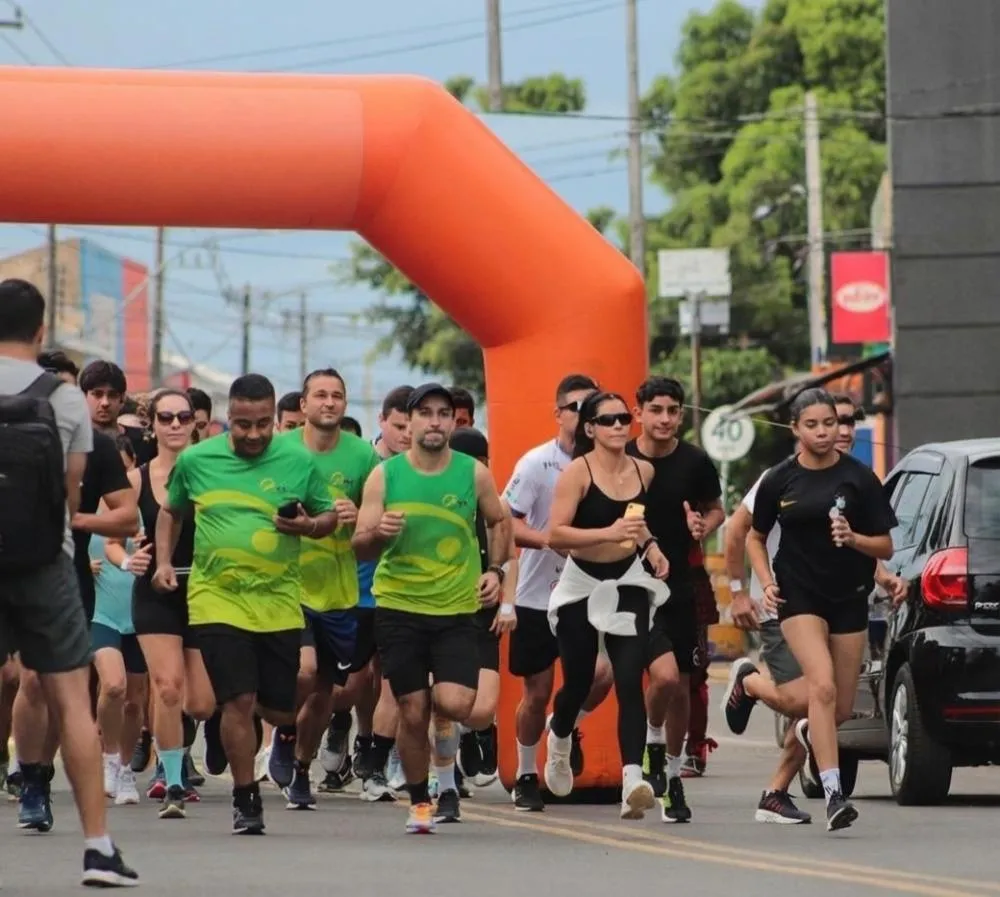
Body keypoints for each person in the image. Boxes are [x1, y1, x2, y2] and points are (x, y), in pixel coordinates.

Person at [152, 374, 337, 834]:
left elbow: (329, 514)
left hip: (277, 602)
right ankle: (245, 797)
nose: (252, 435)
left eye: (261, 425)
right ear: (223, 420)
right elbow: (171, 511)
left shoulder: (297, 461)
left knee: (277, 710)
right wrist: (161, 562)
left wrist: (309, 528)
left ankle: (251, 732)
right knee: (239, 699)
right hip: (217, 599)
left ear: (274, 419)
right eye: (241, 425)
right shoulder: (196, 461)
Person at [0, 278, 138, 886]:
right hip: (44, 562)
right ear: (39, 330)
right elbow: (72, 494)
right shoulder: (64, 399)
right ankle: (98, 847)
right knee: (71, 703)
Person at [723, 393, 906, 824]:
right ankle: (833, 794)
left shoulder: (860, 478)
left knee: (838, 707)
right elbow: (751, 534)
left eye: (830, 423)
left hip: (848, 595)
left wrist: (855, 540)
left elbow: (885, 544)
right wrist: (765, 584)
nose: (824, 432)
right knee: (821, 687)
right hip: (797, 595)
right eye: (813, 424)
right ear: (796, 430)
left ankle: (752, 686)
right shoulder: (778, 480)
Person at [352, 383, 512, 834]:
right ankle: (422, 801)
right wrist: (379, 533)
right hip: (399, 608)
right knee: (411, 708)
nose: (436, 421)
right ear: (411, 421)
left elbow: (500, 522)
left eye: (444, 413)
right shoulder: (385, 476)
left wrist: (495, 571)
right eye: (426, 413)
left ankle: (442, 758)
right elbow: (360, 547)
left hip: (456, 609)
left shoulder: (472, 474)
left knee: (456, 702)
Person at [545, 391, 670, 820]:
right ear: (590, 428)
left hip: (629, 581)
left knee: (629, 677)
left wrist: (650, 548)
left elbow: (636, 523)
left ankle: (632, 779)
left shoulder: (644, 470)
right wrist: (606, 532)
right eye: (608, 419)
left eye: (623, 419)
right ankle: (558, 736)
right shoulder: (576, 474)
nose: (619, 426)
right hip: (581, 582)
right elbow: (555, 535)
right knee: (579, 680)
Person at [268, 368, 380, 810]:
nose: (328, 403)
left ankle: (300, 767)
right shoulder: (280, 450)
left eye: (336, 396)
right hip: (287, 585)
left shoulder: (363, 458)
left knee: (325, 694)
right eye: (320, 395)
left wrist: (359, 518)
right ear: (304, 404)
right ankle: (283, 729)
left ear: (345, 404)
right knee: (304, 670)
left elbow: (376, 526)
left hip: (339, 589)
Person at [503, 373, 615, 812]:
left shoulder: (609, 464)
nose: (585, 417)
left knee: (599, 675)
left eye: (594, 410)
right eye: (576, 408)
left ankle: (563, 727)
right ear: (559, 414)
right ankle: (527, 772)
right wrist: (553, 539)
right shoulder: (536, 464)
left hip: (587, 592)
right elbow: (507, 523)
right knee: (537, 689)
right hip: (536, 594)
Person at [109, 389, 215, 819]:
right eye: (165, 417)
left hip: (207, 593)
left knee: (202, 704)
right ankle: (172, 781)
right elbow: (113, 538)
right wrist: (126, 559)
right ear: (151, 424)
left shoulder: (214, 473)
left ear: (195, 422)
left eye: (183, 417)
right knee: (167, 686)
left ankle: (175, 756)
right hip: (156, 591)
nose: (175, 425)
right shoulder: (136, 480)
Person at [626, 376, 724, 823]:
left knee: (681, 685)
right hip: (627, 587)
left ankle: (670, 776)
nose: (665, 419)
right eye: (656, 410)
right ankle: (647, 748)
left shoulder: (696, 461)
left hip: (680, 586)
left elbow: (716, 507)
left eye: (673, 411)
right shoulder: (621, 458)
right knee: (654, 680)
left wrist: (704, 525)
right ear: (639, 412)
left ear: (682, 415)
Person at [449, 426, 518, 793]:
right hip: (444, 614)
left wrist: (507, 602)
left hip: (484, 616)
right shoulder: (440, 501)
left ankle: (468, 734)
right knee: (442, 699)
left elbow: (509, 560)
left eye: (483, 463)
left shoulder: (498, 506)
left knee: (481, 709)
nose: (477, 471)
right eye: (469, 463)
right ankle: (441, 777)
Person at [90, 435, 147, 807]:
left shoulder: (137, 511)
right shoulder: (76, 507)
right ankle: (109, 757)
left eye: (123, 467)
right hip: (99, 611)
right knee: (113, 686)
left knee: (134, 700)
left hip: (139, 612)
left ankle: (126, 766)